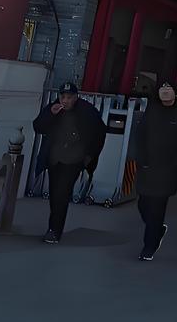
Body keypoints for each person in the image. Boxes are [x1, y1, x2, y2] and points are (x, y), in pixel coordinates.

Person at [31, 82, 106, 244]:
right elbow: (38, 126)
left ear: (76, 97)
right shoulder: (54, 108)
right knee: (54, 193)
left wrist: (88, 156)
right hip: (54, 158)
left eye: (69, 97)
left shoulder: (87, 111)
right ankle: (54, 227)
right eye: (63, 97)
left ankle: (54, 230)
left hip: (73, 160)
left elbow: (99, 133)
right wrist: (50, 114)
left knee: (62, 193)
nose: (65, 101)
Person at [133, 80, 177, 261]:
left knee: (157, 208)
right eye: (162, 88)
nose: (165, 91)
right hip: (147, 167)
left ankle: (149, 247)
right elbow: (140, 135)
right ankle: (157, 229)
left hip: (167, 170)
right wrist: (141, 158)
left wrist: (176, 163)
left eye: (169, 88)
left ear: (176, 93)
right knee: (143, 204)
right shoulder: (152, 111)